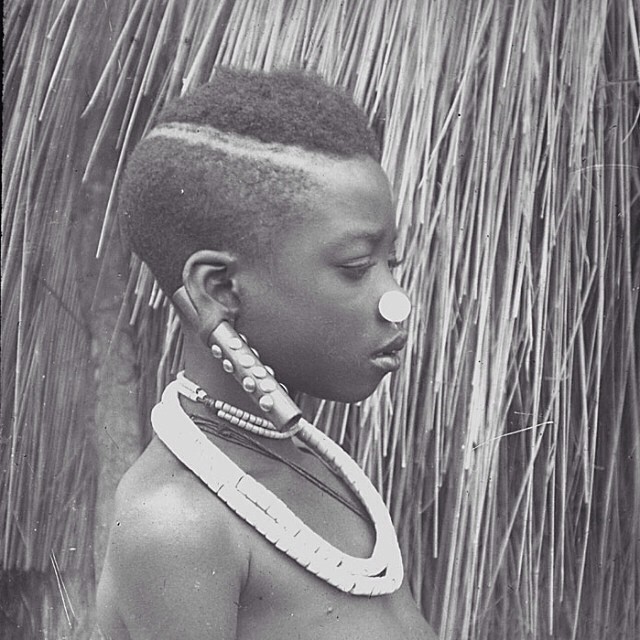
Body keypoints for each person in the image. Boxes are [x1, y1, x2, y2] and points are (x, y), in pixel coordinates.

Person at [96, 68, 437, 640]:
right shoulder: (178, 525)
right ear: (219, 289)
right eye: (356, 268)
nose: (396, 303)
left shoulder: (298, 464)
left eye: (391, 265)